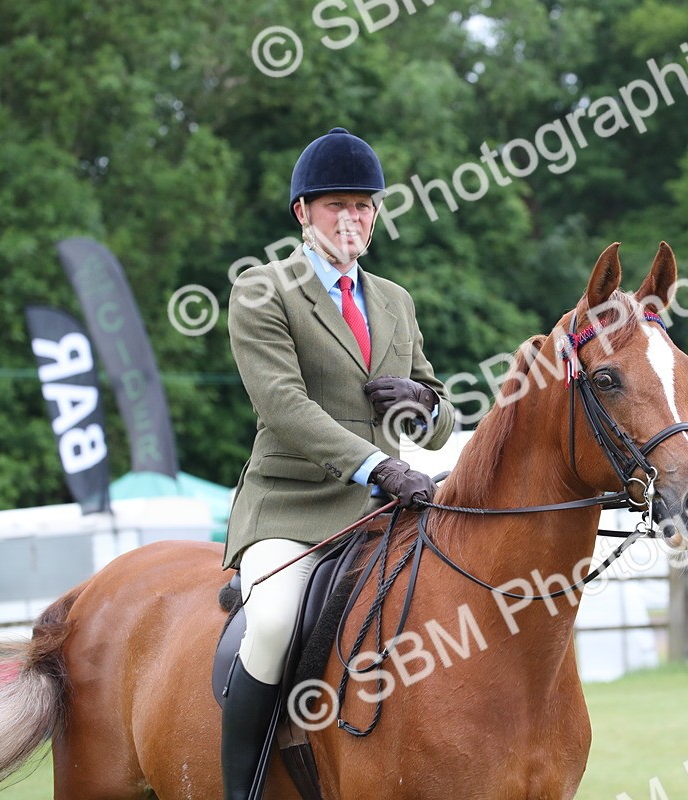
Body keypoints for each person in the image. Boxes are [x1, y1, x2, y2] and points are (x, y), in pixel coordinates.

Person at [220, 127, 456, 799]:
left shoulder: (393, 300)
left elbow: (439, 419)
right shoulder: (264, 291)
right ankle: (243, 787)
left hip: (385, 510)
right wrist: (377, 467)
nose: (352, 219)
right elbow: (286, 408)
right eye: (336, 206)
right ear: (303, 213)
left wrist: (420, 402)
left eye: (363, 206)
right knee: (270, 625)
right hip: (292, 507)